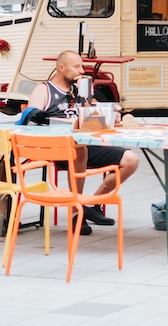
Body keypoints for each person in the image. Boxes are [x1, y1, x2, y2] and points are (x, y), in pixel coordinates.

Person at [27, 50, 139, 235]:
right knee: (79, 151)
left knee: (131, 160)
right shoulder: (44, 89)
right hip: (58, 147)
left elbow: (91, 119)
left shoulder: (80, 90)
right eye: (76, 66)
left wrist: (92, 99)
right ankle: (74, 212)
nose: (82, 70)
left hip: (85, 144)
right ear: (61, 68)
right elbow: (31, 118)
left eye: (82, 66)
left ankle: (90, 204)